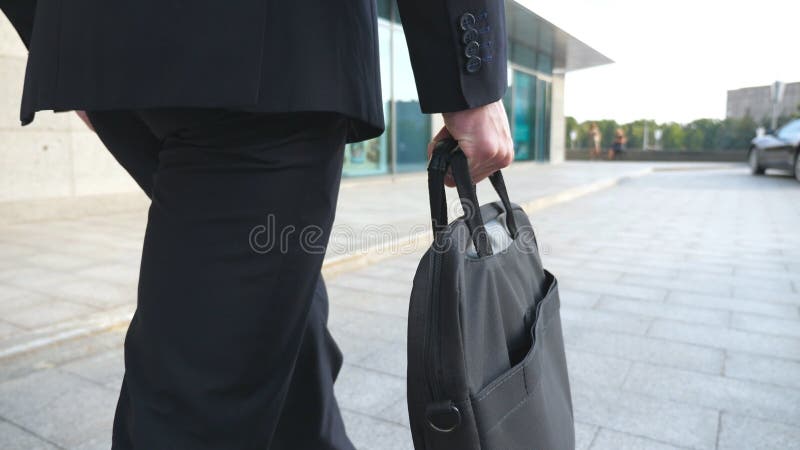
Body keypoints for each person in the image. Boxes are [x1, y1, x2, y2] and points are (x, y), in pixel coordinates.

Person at [1, 1, 514, 448]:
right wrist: (470, 81)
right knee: (197, 401)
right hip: (269, 58)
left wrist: (53, 35)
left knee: (265, 308)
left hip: (106, 54)